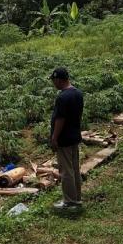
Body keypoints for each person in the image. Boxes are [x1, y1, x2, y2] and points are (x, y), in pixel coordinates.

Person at [49, 67, 84, 209]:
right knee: (74, 169)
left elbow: (60, 119)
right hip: (74, 136)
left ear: (58, 80)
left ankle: (69, 201)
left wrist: (54, 137)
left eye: (54, 80)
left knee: (66, 171)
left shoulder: (62, 97)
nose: (53, 83)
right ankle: (77, 198)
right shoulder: (78, 93)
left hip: (64, 138)